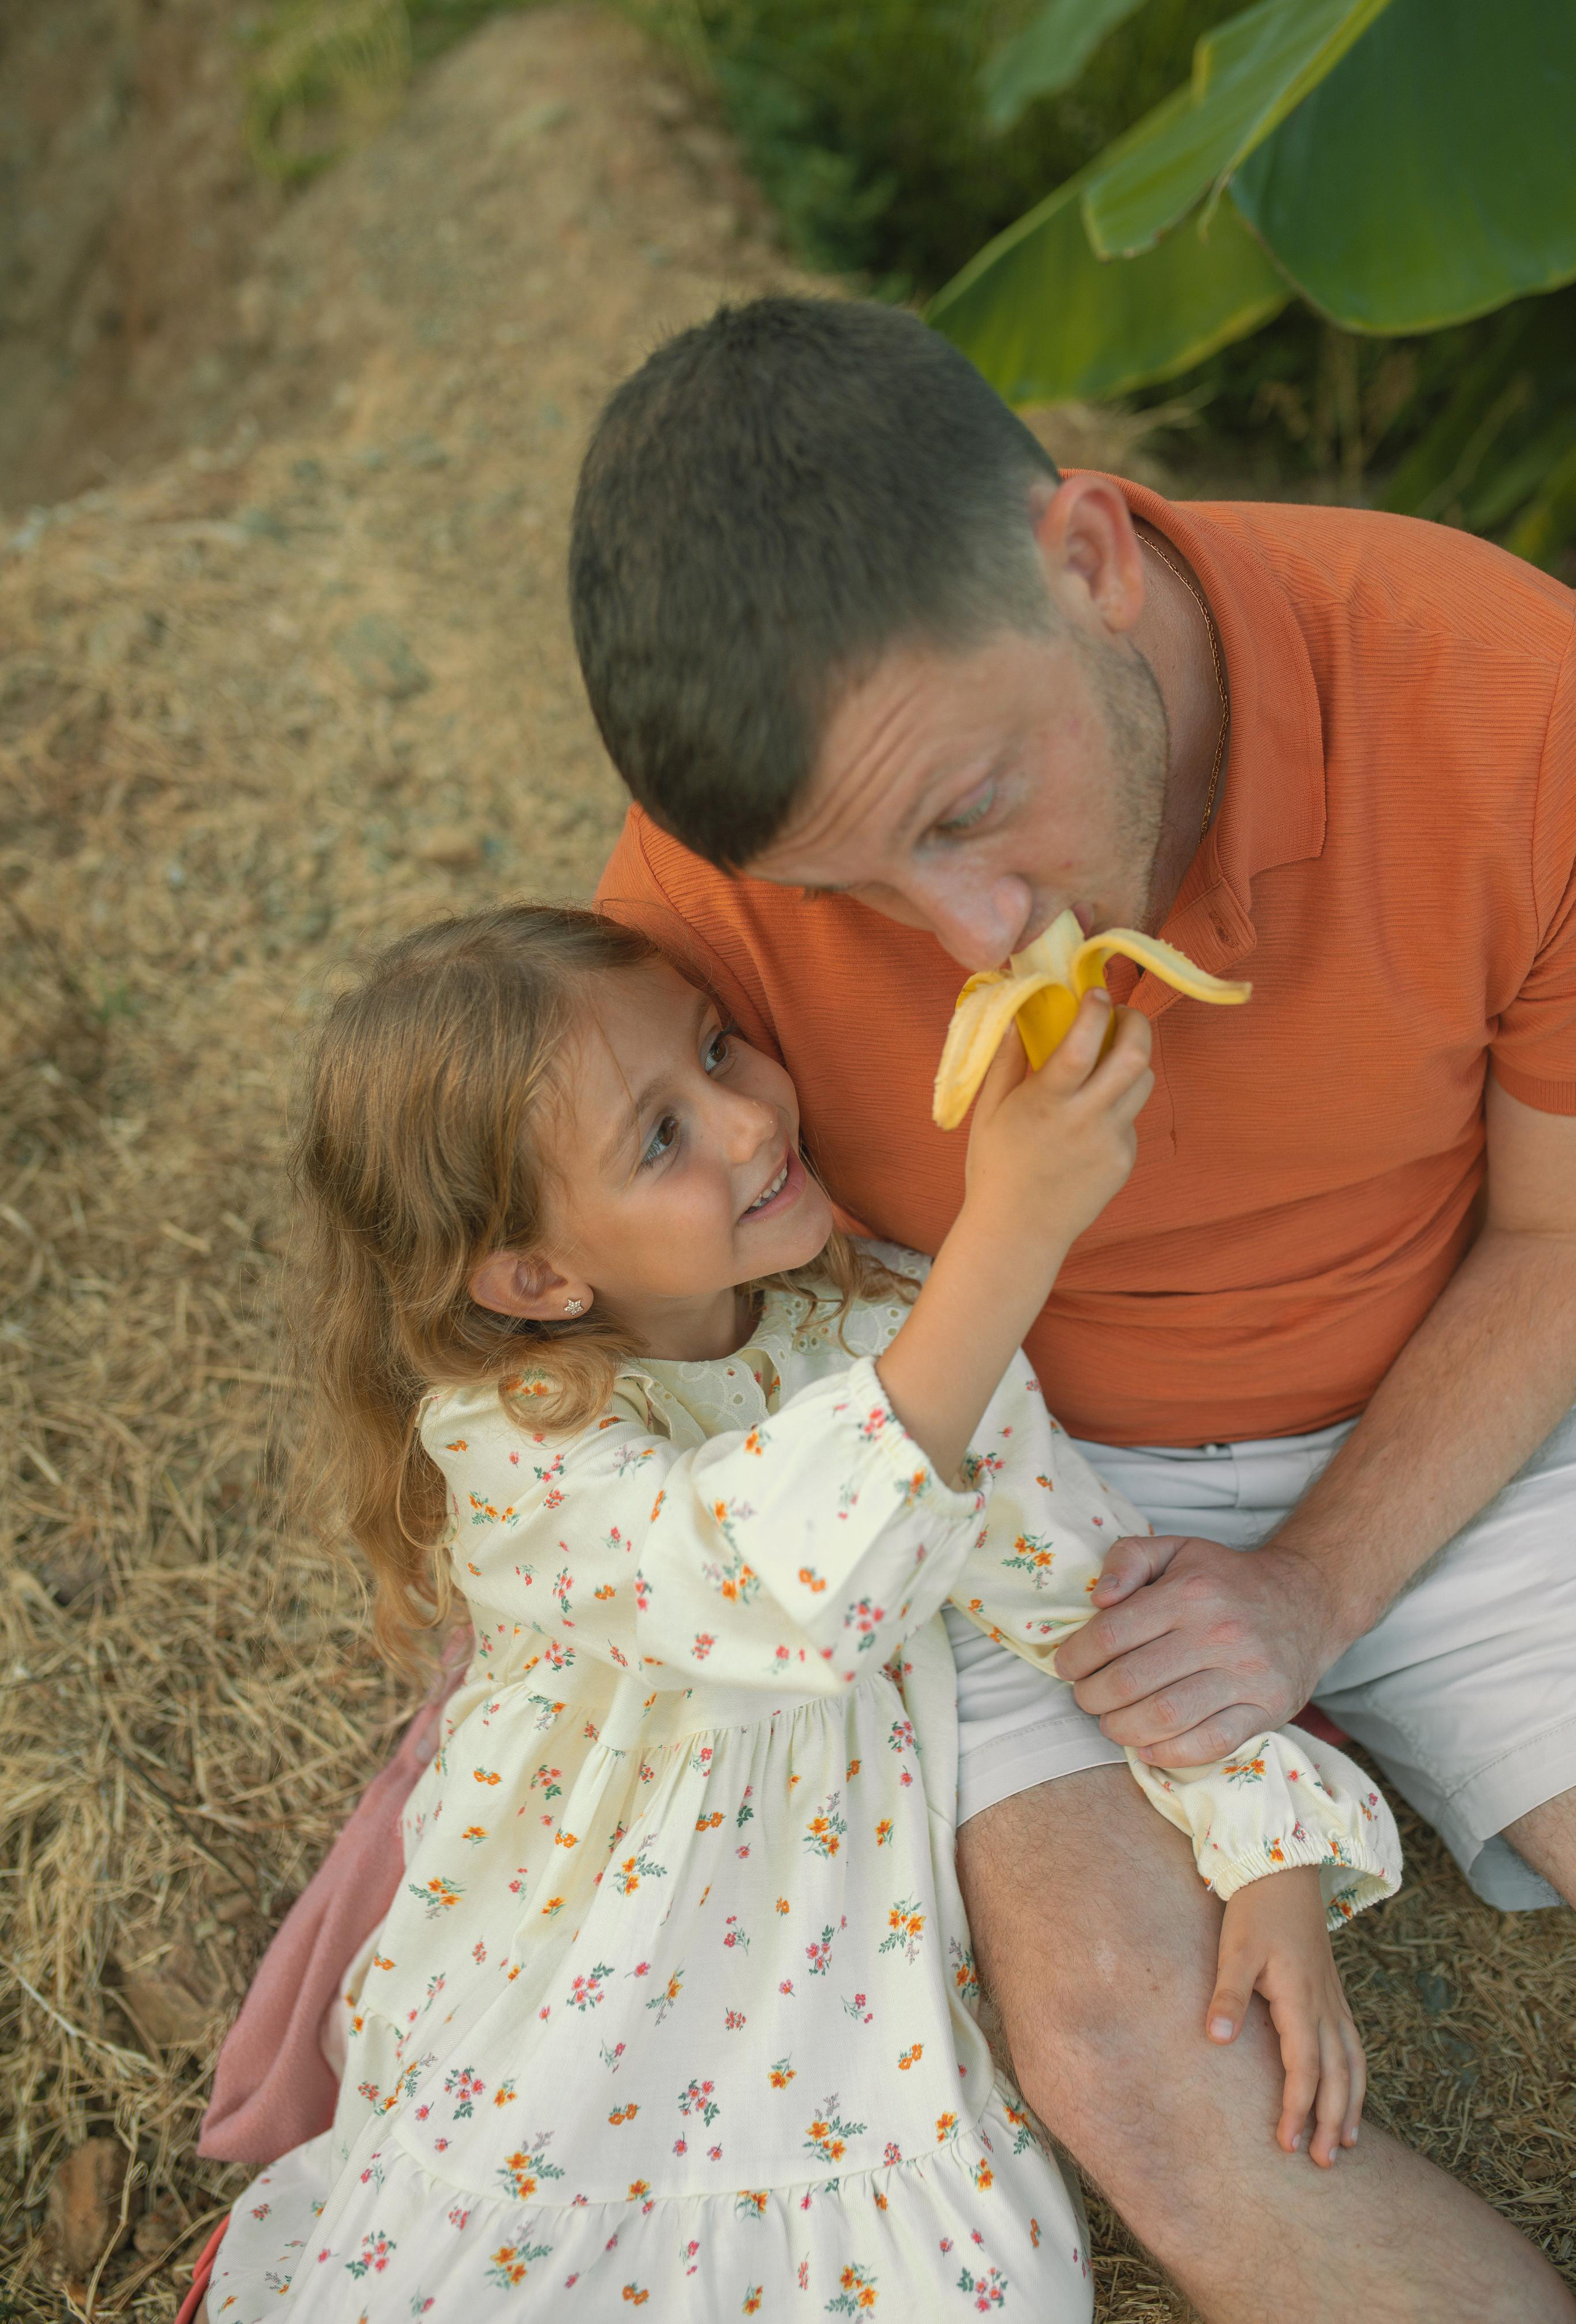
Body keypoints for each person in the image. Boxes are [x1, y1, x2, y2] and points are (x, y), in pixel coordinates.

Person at [577, 296, 1576, 2319]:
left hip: (1456, 1418)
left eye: (965, 811)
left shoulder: (1506, 686)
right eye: (852, 884)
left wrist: (1311, 1584)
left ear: (1092, 557)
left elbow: (1560, 1236)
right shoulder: (689, 907)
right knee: (1140, 2068)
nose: (970, 936)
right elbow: (650, 1351)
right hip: (1001, 1484)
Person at [193, 904, 1396, 2322]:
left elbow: (1079, 1588)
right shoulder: (515, 1439)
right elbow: (766, 1588)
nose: (747, 1122)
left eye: (716, 1049)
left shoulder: (887, 1331)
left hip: (832, 1994)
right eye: (660, 1137)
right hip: (579, 1973)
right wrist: (1003, 1248)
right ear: (534, 1277)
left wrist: (1266, 1851)